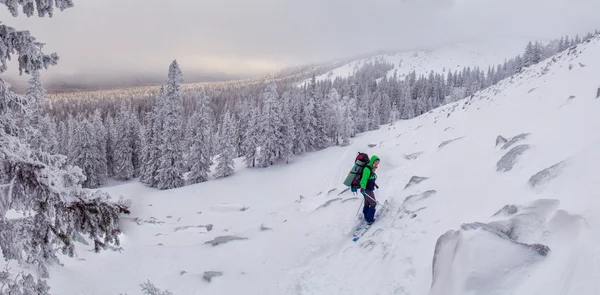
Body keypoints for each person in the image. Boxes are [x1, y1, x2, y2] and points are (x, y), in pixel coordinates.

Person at [359, 155, 379, 224]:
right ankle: (369, 219)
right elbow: (364, 179)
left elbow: (370, 178)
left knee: (367, 202)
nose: (377, 163)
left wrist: (374, 184)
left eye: (378, 162)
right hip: (366, 189)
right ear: (373, 161)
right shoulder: (367, 169)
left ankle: (366, 215)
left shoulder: (372, 169)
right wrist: (362, 187)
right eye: (376, 162)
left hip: (369, 189)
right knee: (373, 203)